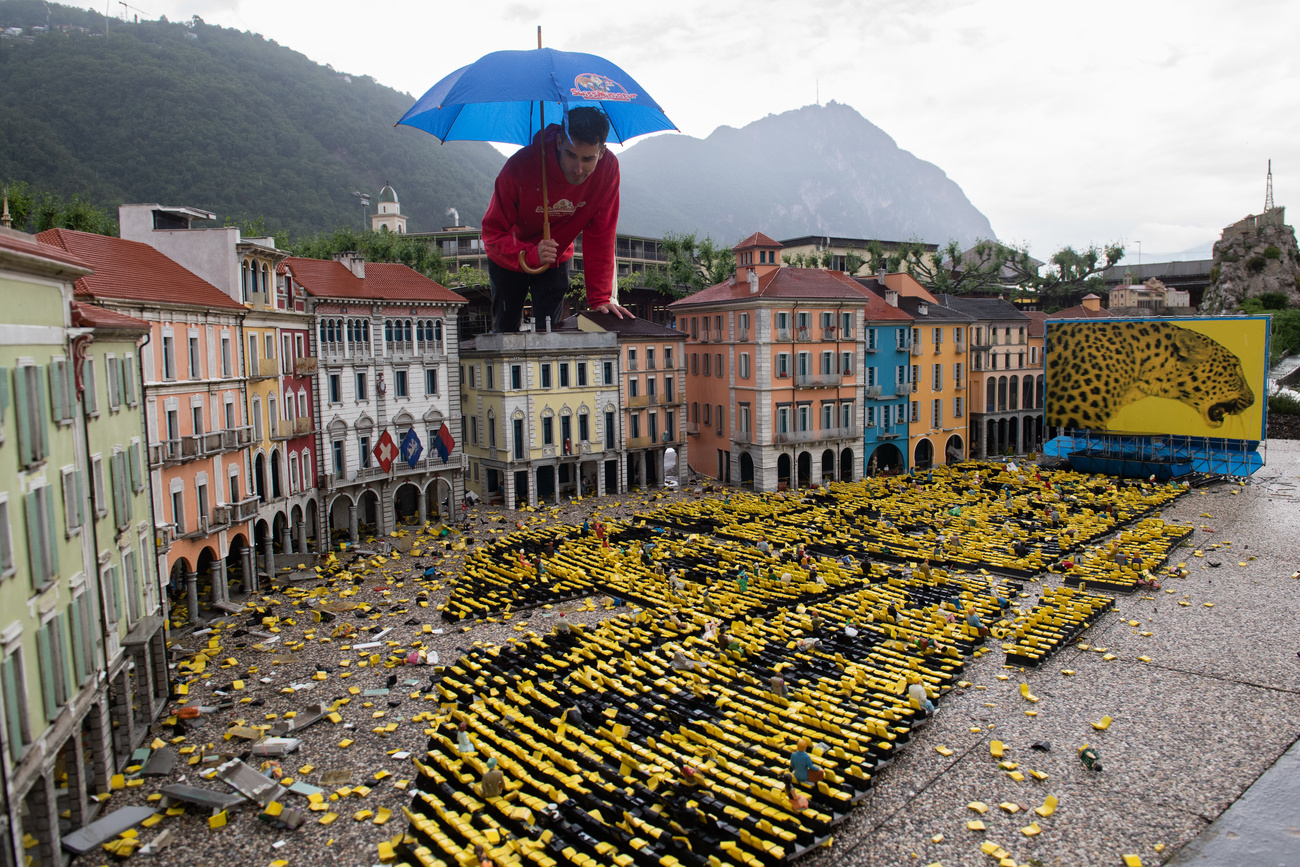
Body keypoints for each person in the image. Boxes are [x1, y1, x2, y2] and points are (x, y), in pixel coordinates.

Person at [481, 106, 632, 332]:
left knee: (550, 333)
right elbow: (492, 234)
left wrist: (601, 298)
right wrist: (530, 254)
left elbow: (601, 233)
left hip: (555, 256)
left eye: (587, 159)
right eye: (571, 155)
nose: (577, 169)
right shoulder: (519, 167)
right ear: (559, 142)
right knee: (506, 331)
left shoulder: (608, 169)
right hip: (510, 257)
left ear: (601, 153)